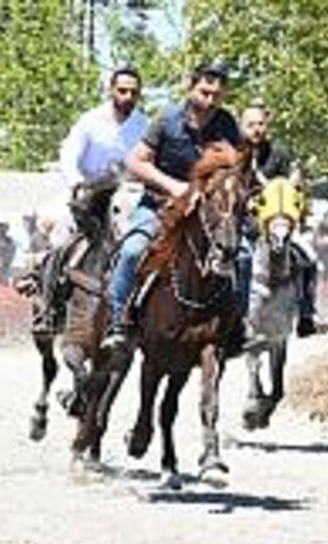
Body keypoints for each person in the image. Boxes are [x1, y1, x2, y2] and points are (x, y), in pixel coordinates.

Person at [103, 61, 242, 350]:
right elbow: (135, 161)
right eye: (205, 90)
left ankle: (237, 325)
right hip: (159, 206)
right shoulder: (167, 119)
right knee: (131, 251)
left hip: (204, 214)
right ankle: (118, 322)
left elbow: (233, 168)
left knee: (243, 254)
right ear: (190, 87)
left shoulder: (227, 124)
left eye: (217, 93)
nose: (211, 98)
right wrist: (175, 187)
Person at [30, 64, 149, 335]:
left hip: (125, 196)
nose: (128, 97)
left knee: (141, 242)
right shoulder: (90, 120)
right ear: (111, 91)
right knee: (59, 233)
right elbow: (68, 155)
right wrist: (77, 185)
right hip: (86, 191)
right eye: (122, 91)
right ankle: (47, 307)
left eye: (133, 92)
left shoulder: (144, 125)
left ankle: (135, 314)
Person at [239, 101, 324, 342]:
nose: (256, 129)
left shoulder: (279, 153)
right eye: (251, 124)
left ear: (268, 126)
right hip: (241, 223)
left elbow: (291, 191)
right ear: (242, 127)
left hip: (276, 223)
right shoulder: (234, 154)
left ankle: (307, 314)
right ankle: (232, 318)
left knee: (310, 259)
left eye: (261, 124)